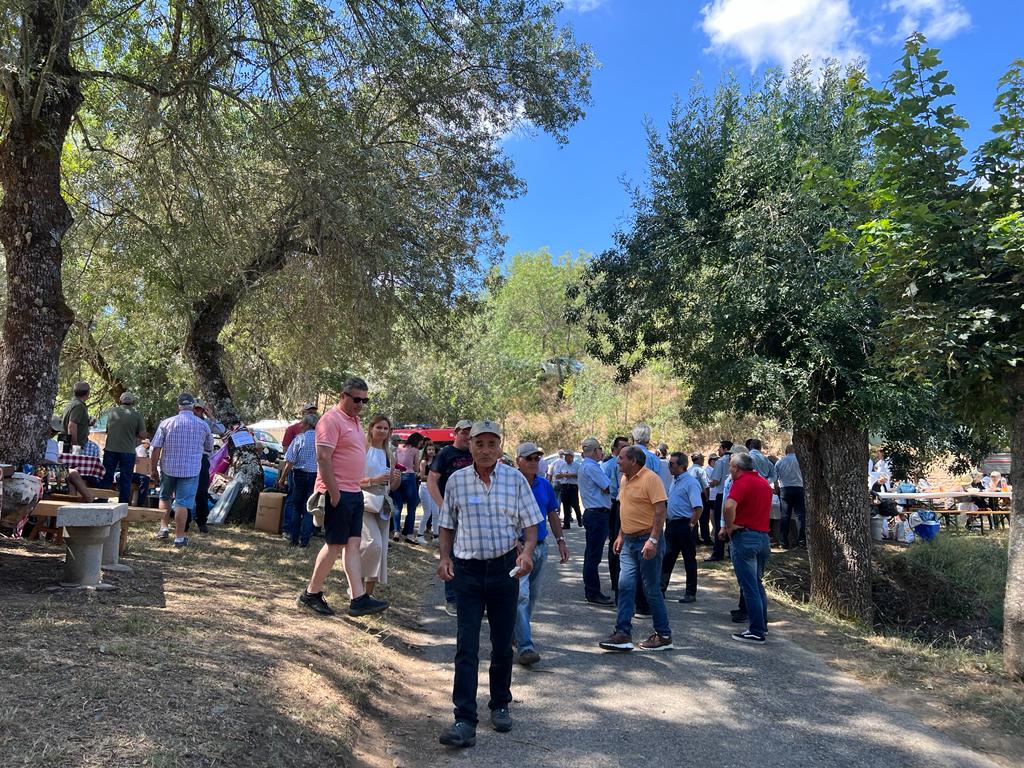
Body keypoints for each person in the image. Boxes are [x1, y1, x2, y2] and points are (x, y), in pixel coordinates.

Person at [436, 421, 543, 748]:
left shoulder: (514, 480)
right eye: (478, 443)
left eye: (491, 444)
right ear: (470, 446)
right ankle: (464, 718)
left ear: (500, 447)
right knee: (466, 646)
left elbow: (531, 524)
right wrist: (444, 559)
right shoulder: (456, 481)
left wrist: (526, 554)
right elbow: (446, 525)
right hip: (467, 572)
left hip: (503, 571)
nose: (484, 449)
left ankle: (500, 705)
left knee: (500, 644)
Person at [297, 377, 389, 618]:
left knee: (353, 545)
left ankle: (358, 599)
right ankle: (311, 593)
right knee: (335, 545)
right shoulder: (331, 420)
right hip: (337, 492)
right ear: (343, 395)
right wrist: (334, 493)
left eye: (364, 400)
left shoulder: (356, 422)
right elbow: (323, 458)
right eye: (356, 399)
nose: (360, 404)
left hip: (354, 492)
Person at [599, 445, 672, 652]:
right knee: (625, 586)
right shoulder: (624, 479)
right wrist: (621, 536)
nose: (617, 461)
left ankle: (664, 635)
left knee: (650, 589)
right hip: (629, 542)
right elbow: (627, 509)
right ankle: (623, 633)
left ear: (634, 461)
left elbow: (660, 511)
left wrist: (654, 540)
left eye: (621, 458)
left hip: (647, 541)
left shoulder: (651, 479)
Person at [513, 442, 569, 667]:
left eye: (537, 458)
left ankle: (513, 635)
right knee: (521, 596)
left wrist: (561, 540)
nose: (534, 462)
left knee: (532, 597)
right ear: (519, 461)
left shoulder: (544, 485)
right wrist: (512, 542)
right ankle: (526, 646)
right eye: (529, 459)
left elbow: (552, 514)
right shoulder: (510, 485)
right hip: (518, 548)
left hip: (541, 547)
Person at [720, 451, 773, 643]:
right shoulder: (763, 483)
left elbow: (728, 506)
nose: (730, 471)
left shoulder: (741, 483)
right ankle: (762, 624)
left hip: (745, 537)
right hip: (763, 537)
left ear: (737, 468)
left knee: (749, 586)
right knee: (757, 584)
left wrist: (729, 526)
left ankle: (756, 629)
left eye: (731, 467)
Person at [150, 393, 213, 548]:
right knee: (182, 503)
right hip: (191, 469)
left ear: (178, 406)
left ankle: (163, 528)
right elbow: (209, 448)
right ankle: (179, 537)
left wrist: (153, 469)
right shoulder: (203, 425)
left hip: (168, 467)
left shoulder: (166, 423)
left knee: (165, 497)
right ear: (192, 406)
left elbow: (156, 448)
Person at [428, 420, 474, 615]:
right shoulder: (446, 453)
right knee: (451, 555)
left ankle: (472, 598)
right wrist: (442, 505)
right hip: (452, 512)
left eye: (470, 434)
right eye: (464, 433)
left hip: (473, 513)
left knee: (472, 555)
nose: (467, 437)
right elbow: (432, 480)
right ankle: (452, 599)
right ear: (455, 433)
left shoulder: (475, 453)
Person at [360, 414, 402, 596]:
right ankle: (356, 588)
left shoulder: (389, 455)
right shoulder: (362, 449)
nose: (382, 431)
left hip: (382, 504)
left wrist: (396, 481)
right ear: (371, 428)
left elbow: (391, 487)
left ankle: (367, 594)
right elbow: (351, 481)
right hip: (363, 502)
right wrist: (373, 480)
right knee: (372, 544)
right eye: (379, 427)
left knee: (381, 549)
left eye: (386, 428)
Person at [662, 452, 704, 603]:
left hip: (685, 524)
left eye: (672, 464)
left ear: (682, 466)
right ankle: (661, 588)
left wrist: (691, 524)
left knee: (689, 559)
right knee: (667, 557)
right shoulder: (675, 480)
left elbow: (698, 507)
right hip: (672, 524)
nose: (669, 467)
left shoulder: (690, 482)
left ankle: (690, 592)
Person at [578, 437, 613, 605]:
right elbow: (607, 487)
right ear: (594, 451)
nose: (601, 452)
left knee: (591, 554)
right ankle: (592, 592)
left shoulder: (585, 466)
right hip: (598, 514)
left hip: (594, 513)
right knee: (593, 556)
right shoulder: (592, 467)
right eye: (599, 449)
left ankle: (591, 590)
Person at [276, 413, 319, 547]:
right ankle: (305, 539)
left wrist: (282, 478)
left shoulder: (299, 439)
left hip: (299, 475)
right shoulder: (321, 440)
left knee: (296, 506)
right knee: (309, 507)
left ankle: (293, 537)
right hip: (315, 475)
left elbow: (290, 461)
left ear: (306, 425)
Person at [101, 392, 148, 503]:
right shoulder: (137, 415)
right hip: (128, 451)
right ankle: (123, 505)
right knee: (126, 480)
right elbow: (143, 435)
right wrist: (134, 433)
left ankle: (102, 500)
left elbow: (108, 430)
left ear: (120, 401)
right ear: (132, 402)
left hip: (110, 450)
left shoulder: (112, 412)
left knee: (107, 477)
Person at [191, 399, 225, 533]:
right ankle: (185, 519)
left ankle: (201, 521)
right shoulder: (187, 422)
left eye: (200, 409)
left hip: (202, 458)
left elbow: (221, 429)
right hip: (189, 458)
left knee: (201, 490)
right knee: (185, 489)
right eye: (195, 408)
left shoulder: (206, 423)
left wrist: (211, 416)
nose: (197, 411)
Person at [602, 436, 628, 604]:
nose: (626, 449)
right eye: (623, 447)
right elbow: (605, 488)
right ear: (615, 449)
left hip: (626, 505)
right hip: (614, 505)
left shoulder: (630, 466)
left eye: (628, 446)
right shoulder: (608, 466)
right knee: (615, 543)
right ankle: (615, 581)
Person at [391, 432, 422, 543]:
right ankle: (409, 533)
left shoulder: (398, 447)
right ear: (417, 441)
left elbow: (393, 462)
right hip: (409, 477)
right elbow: (417, 467)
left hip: (397, 475)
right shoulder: (415, 450)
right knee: (411, 506)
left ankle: (396, 532)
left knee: (397, 506)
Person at [705, 439, 733, 562]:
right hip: (733, 495)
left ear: (725, 449)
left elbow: (715, 480)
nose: (718, 451)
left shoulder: (721, 462)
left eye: (720, 448)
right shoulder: (736, 460)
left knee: (718, 524)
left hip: (721, 494)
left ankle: (718, 552)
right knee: (732, 522)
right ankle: (732, 551)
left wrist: (709, 483)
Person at [774, 443, 806, 548]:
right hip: (799, 488)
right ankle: (801, 541)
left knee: (785, 516)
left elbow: (775, 479)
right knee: (800, 515)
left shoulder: (779, 462)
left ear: (786, 451)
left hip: (785, 489)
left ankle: (783, 542)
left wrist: (777, 490)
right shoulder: (801, 461)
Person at [631, 423, 671, 492]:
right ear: (648, 440)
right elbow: (658, 479)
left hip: (626, 497)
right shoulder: (653, 458)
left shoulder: (623, 455)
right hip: (647, 496)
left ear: (633, 437)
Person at [552, 449, 582, 529]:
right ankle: (566, 523)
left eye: (567, 456)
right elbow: (557, 475)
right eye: (565, 456)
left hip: (573, 486)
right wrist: (563, 475)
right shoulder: (562, 465)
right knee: (565, 505)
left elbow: (579, 475)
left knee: (575, 504)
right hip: (564, 486)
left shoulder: (577, 465)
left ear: (571, 457)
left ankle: (579, 519)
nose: (565, 458)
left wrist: (571, 475)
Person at [416, 441, 438, 543]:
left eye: (433, 449)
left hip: (434, 488)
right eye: (429, 449)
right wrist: (433, 478)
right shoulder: (423, 462)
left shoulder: (437, 461)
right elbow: (422, 476)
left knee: (436, 513)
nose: (431, 451)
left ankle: (436, 536)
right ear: (426, 451)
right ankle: (419, 535)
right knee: (427, 512)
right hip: (425, 488)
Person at [688, 452, 712, 544]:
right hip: (700, 495)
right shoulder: (701, 470)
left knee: (694, 516)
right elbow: (705, 486)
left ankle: (694, 538)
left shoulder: (689, 470)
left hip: (690, 496)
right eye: (702, 458)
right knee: (704, 518)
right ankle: (706, 537)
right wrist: (707, 497)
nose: (703, 460)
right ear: (698, 459)